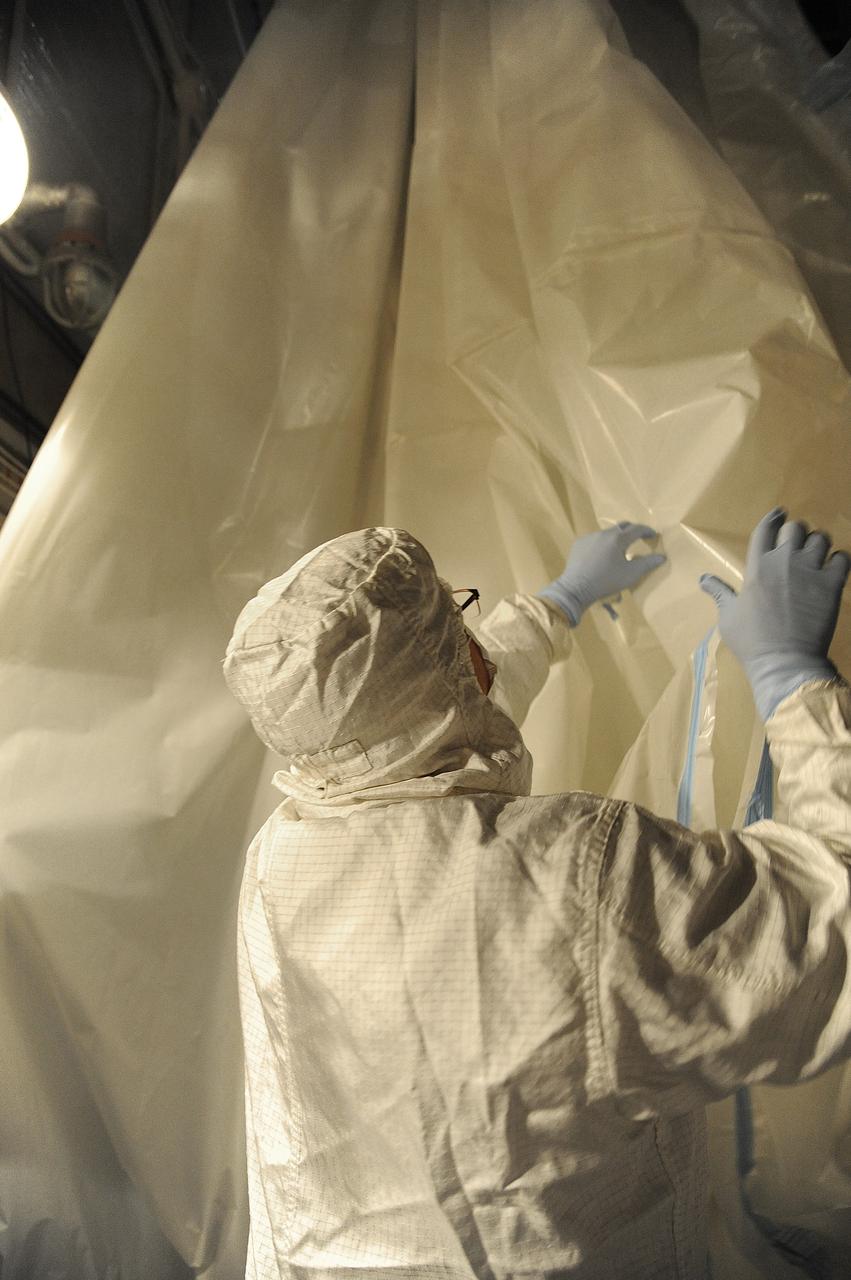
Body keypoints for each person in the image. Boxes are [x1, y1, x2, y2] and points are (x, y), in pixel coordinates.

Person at [223, 509, 850, 1280]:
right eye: (459, 618)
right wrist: (792, 679)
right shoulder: (575, 876)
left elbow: (409, 723)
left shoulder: (281, 856)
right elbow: (833, 923)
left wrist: (559, 603)